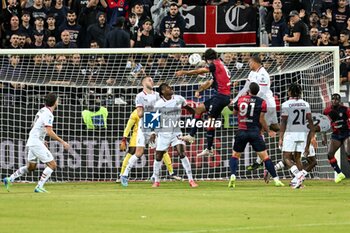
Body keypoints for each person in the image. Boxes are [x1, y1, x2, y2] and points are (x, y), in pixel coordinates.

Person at [3, 93, 70, 193]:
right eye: (57, 100)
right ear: (55, 102)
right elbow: (49, 131)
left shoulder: (42, 110)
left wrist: (42, 140)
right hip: (35, 141)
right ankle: (39, 186)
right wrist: (63, 142)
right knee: (52, 165)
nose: (58, 101)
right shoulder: (48, 114)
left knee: (31, 167)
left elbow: (35, 125)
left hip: (33, 140)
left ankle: (10, 179)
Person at [175, 48, 231, 157]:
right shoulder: (220, 64)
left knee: (211, 120)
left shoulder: (215, 64)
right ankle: (192, 135)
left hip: (221, 97)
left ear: (207, 59)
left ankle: (209, 149)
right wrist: (199, 90)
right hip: (221, 96)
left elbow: (199, 71)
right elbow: (210, 82)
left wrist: (184, 72)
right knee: (199, 109)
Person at [229, 82, 284, 188]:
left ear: (248, 90)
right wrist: (268, 130)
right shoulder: (262, 102)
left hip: (242, 131)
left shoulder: (241, 99)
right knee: (265, 158)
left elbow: (234, 113)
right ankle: (276, 180)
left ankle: (232, 176)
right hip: (254, 132)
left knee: (235, 155)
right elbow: (261, 119)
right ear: (258, 92)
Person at [234, 56, 279, 170]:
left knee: (262, 129)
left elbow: (261, 93)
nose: (248, 64)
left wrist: (247, 101)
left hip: (267, 104)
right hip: (258, 103)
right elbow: (245, 88)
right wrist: (236, 99)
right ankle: (260, 160)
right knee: (264, 129)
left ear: (255, 62)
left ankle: (261, 160)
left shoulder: (263, 75)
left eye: (250, 62)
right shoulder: (252, 73)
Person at [152, 83, 198, 188]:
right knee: (158, 156)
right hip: (163, 133)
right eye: (168, 88)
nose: (170, 88)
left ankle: (191, 180)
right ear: (163, 91)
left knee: (181, 153)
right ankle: (156, 180)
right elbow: (152, 118)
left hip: (176, 132)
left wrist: (197, 117)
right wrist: (153, 133)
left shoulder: (179, 98)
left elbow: (189, 108)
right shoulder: (159, 104)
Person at [264, 113, 331, 184]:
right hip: (302, 136)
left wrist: (324, 137)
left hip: (291, 132)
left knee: (292, 158)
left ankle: (273, 170)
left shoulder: (318, 115)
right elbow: (312, 130)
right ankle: (297, 179)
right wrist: (307, 147)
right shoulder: (327, 124)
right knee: (311, 161)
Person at [119, 109, 181, 181]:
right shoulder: (135, 113)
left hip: (153, 133)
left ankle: (171, 173)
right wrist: (124, 139)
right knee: (132, 151)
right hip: (139, 134)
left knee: (162, 151)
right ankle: (122, 174)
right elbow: (128, 126)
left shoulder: (156, 110)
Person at [120, 76, 159, 187]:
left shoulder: (157, 95)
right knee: (139, 152)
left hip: (155, 125)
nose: (152, 81)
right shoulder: (140, 96)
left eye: (152, 79)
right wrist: (151, 108)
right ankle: (124, 174)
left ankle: (155, 176)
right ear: (143, 83)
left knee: (160, 152)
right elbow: (140, 113)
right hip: (144, 127)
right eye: (149, 80)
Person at [279, 84, 315, 189]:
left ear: (290, 92)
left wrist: (281, 137)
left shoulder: (286, 104)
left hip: (291, 133)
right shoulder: (305, 104)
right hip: (302, 134)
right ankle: (299, 182)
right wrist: (312, 136)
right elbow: (310, 121)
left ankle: (298, 175)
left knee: (286, 158)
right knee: (297, 158)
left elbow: (284, 122)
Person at [323, 93, 350, 183]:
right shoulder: (327, 111)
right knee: (330, 154)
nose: (335, 101)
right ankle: (339, 173)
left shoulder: (345, 109)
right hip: (336, 135)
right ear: (331, 100)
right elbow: (324, 124)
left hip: (346, 133)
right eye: (333, 99)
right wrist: (324, 137)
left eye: (337, 99)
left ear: (340, 101)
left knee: (348, 152)